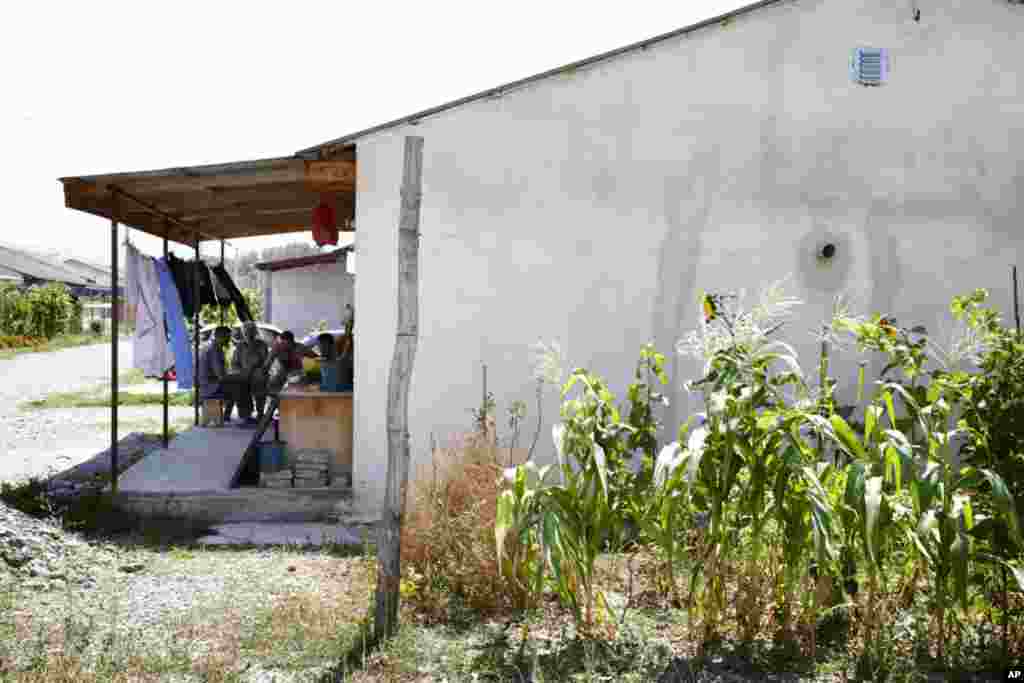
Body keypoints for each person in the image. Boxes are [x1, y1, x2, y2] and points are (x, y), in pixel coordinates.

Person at [198, 326, 252, 423]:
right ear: (220, 336)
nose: (229, 340)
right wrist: (239, 376)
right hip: (210, 387)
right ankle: (245, 417)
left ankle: (228, 415)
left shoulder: (212, 347)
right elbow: (221, 376)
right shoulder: (214, 350)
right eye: (227, 337)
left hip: (208, 384)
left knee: (238, 381)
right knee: (242, 384)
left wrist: (235, 375)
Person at [233, 321, 270, 421]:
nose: (248, 333)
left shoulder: (261, 345)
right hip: (243, 374)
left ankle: (260, 413)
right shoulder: (240, 346)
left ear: (255, 332)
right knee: (239, 384)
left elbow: (265, 363)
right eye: (246, 331)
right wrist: (241, 371)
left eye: (251, 331)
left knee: (260, 380)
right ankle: (245, 414)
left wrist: (256, 368)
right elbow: (235, 363)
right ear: (243, 332)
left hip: (257, 374)